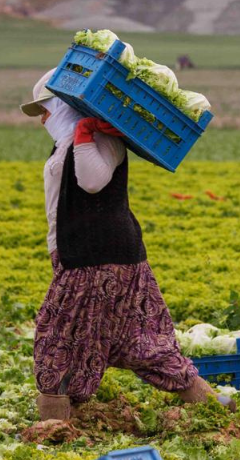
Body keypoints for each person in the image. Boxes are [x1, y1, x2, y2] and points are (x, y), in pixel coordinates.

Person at [20, 70, 229, 422]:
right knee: (140, 336)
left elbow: (91, 182)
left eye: (45, 109)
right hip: (110, 253)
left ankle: (52, 424)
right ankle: (211, 404)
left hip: (94, 256)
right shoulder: (70, 140)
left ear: (62, 105)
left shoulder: (96, 137)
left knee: (56, 335)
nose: (42, 119)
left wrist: (85, 133)